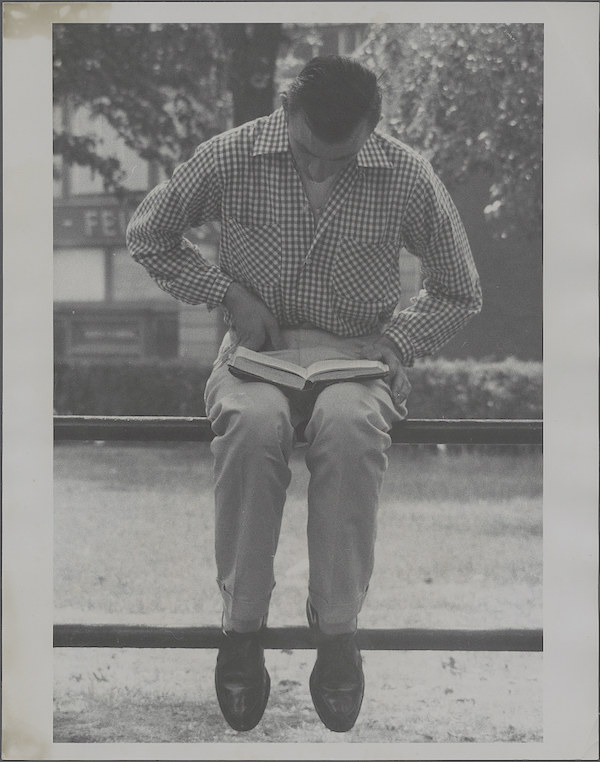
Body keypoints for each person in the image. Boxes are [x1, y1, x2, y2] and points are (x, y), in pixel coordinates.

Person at [126, 55, 482, 733]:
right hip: (255, 356)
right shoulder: (228, 156)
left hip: (352, 359)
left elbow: (461, 287)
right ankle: (242, 630)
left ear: (372, 132)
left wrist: (399, 343)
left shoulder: (406, 173)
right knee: (253, 427)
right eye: (306, 152)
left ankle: (339, 634)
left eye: (340, 159)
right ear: (286, 115)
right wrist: (225, 292)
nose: (320, 169)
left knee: (351, 431)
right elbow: (149, 234)